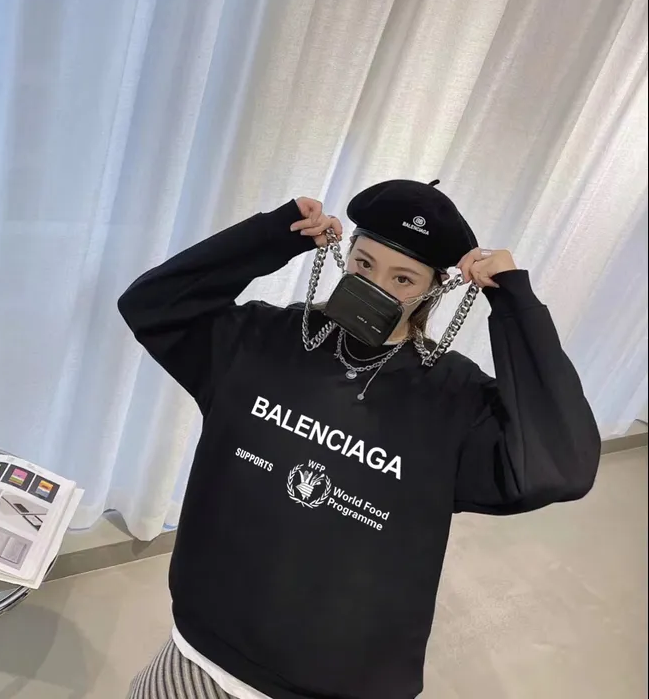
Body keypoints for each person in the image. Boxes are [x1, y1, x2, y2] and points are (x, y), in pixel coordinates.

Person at [119, 180, 601, 699]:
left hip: (335, 684)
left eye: (403, 278)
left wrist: (513, 303)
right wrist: (272, 236)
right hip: (202, 651)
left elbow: (563, 465)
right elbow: (151, 304)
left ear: (434, 288)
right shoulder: (262, 341)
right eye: (364, 264)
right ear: (346, 254)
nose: (376, 286)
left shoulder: (454, 397)